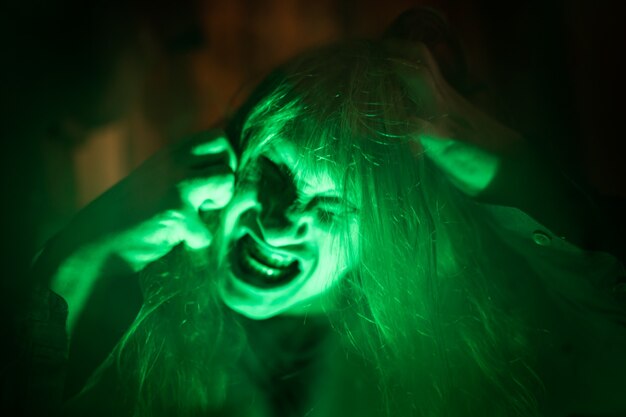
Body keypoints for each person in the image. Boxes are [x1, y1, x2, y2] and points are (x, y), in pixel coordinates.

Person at [29, 21, 626, 417]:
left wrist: (473, 139)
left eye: (331, 206)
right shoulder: (127, 318)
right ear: (226, 161)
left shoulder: (453, 369)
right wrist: (80, 253)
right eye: (272, 173)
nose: (282, 220)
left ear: (381, 243)